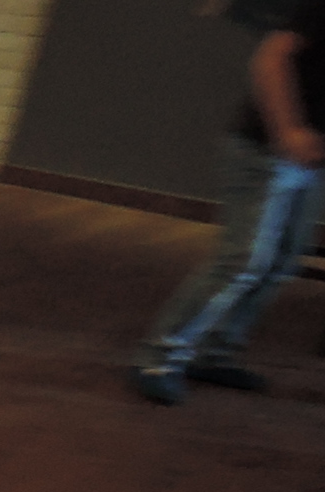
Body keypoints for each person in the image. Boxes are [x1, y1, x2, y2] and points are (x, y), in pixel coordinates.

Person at [133, 5, 325, 403]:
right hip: (264, 152)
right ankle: (158, 358)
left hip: (310, 165)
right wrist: (288, 130)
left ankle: (213, 353)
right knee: (244, 261)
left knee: (281, 261)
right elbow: (271, 58)